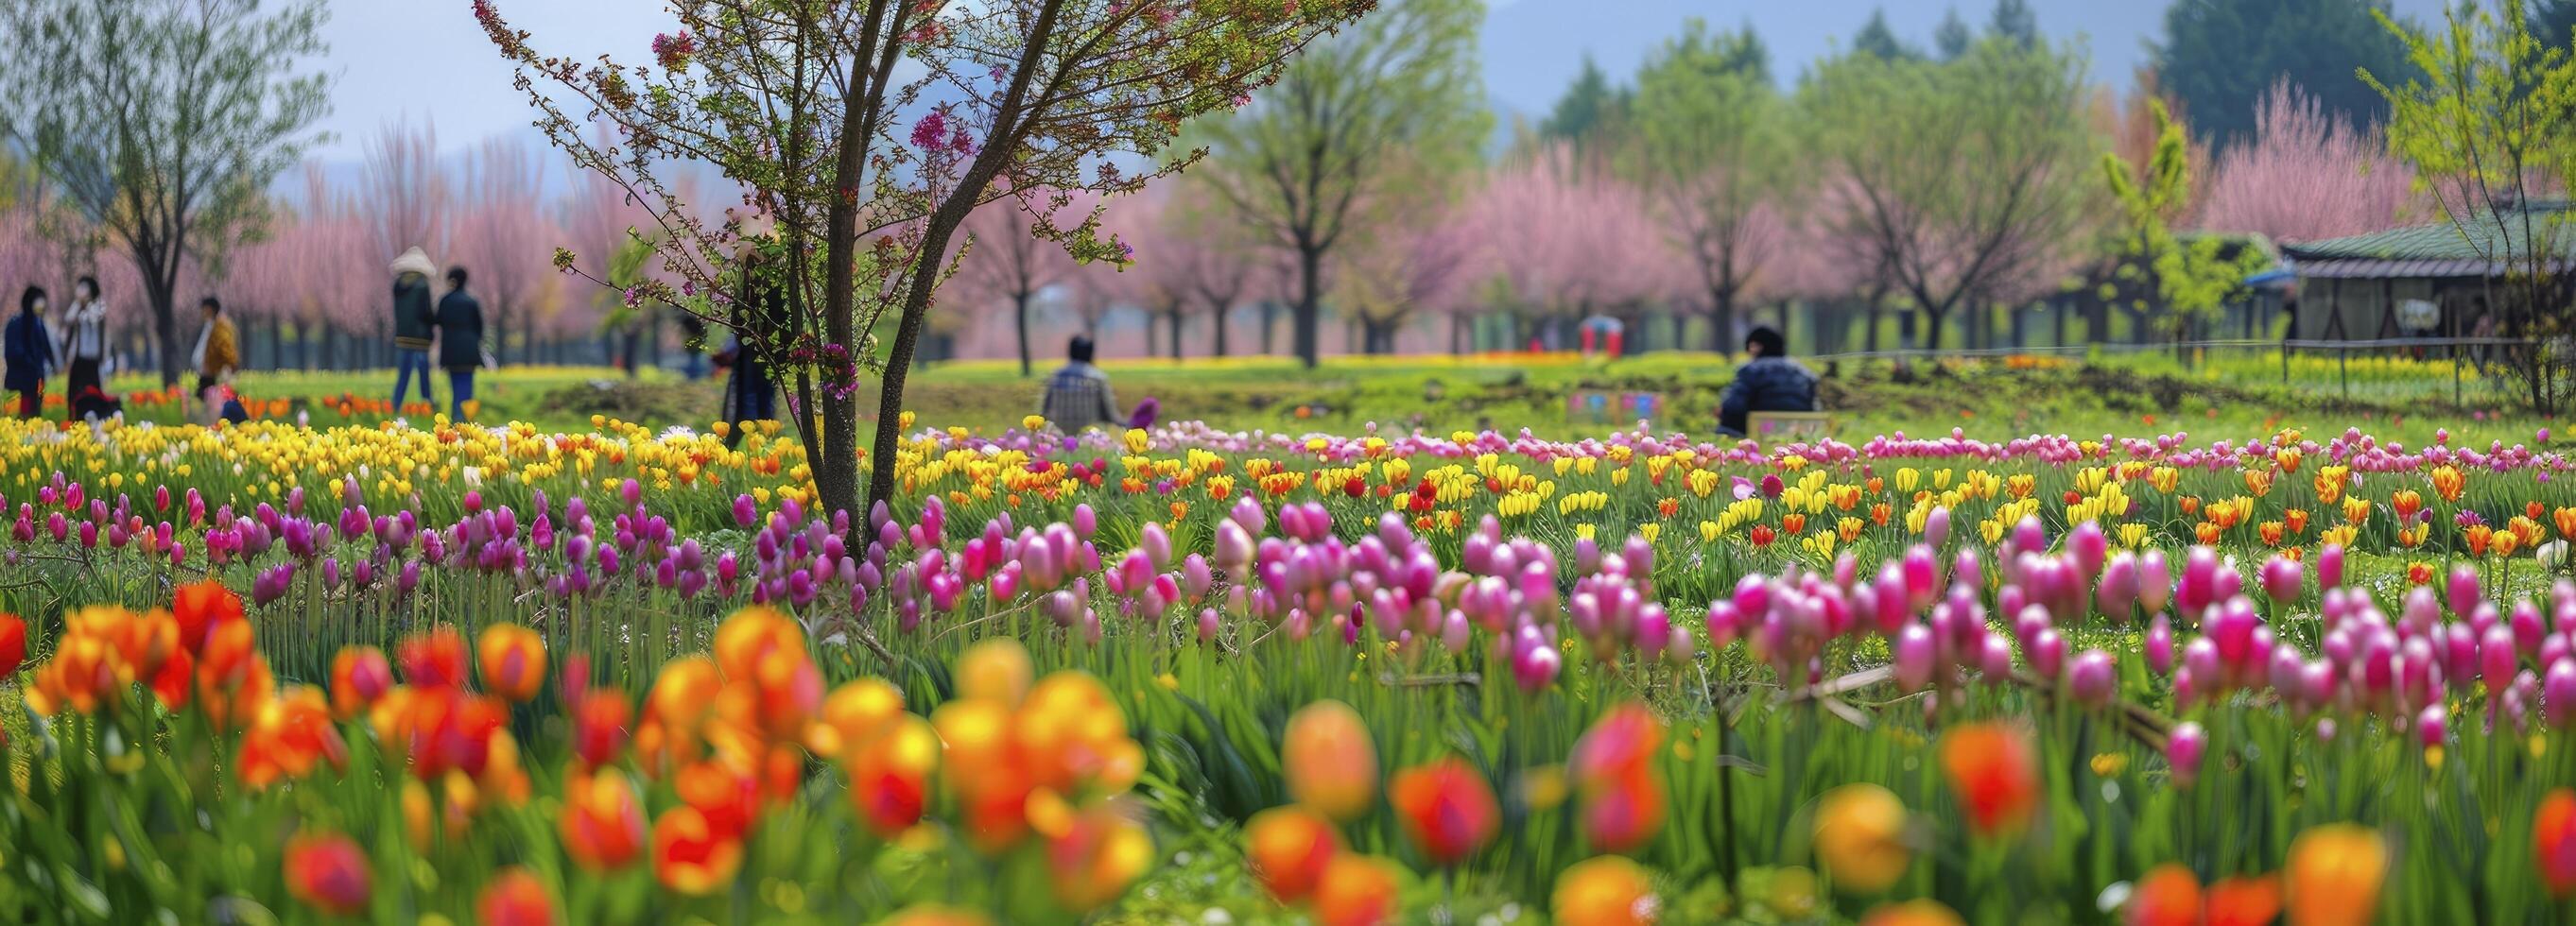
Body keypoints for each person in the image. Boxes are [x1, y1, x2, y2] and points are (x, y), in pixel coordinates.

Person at [1717, 326, 1818, 437]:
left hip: (1760, 430)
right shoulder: (1803, 372)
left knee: (1724, 429)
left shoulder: (1750, 369)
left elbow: (1734, 406)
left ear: (1757, 346)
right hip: (1798, 431)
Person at [389, 247, 440, 412]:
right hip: (421, 337)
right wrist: (435, 322)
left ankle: (396, 404)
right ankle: (427, 404)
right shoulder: (422, 285)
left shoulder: (397, 285)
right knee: (424, 374)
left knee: (403, 374)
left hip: (403, 335)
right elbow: (425, 312)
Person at [1041, 334, 1119, 431]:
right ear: (1090, 353)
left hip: (1060, 439)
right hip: (1089, 440)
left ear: (1070, 352)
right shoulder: (1098, 378)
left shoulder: (1056, 377)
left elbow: (1044, 413)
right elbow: (1111, 416)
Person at [437, 266, 486, 420]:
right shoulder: (471, 301)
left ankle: (456, 418)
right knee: (466, 385)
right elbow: (480, 327)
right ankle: (463, 419)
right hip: (469, 350)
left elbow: (439, 321)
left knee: (455, 385)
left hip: (451, 350)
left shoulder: (445, 301)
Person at [4, 286, 58, 419]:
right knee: (26, 409)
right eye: (38, 301)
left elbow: (46, 347)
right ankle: (22, 430)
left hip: (39, 377)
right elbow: (13, 349)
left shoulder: (39, 323)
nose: (42, 305)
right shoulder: (16, 323)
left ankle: (34, 427)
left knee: (38, 403)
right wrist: (28, 361)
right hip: (24, 378)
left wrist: (53, 364)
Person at [59, 276, 109, 414]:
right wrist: (78, 303)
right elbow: (68, 319)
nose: (80, 291)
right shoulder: (77, 306)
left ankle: (94, 415)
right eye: (79, 287)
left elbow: (94, 319)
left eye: (84, 287)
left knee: (93, 390)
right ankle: (75, 417)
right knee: (75, 390)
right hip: (79, 358)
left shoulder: (98, 306)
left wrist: (86, 305)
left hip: (93, 359)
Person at [189, 296, 238, 424]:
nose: (202, 312)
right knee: (204, 402)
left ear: (210, 309)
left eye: (204, 309)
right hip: (208, 372)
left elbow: (227, 349)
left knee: (214, 403)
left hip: (215, 372)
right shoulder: (211, 324)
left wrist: (226, 367)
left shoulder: (221, 326)